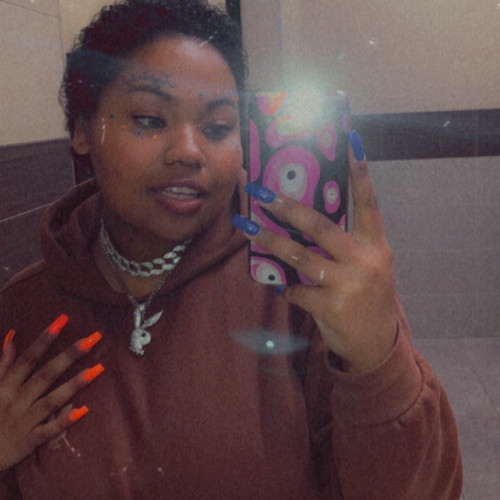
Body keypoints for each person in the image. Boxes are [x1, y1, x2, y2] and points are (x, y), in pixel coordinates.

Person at [0, 0, 462, 498]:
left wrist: (377, 364)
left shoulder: (303, 287)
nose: (189, 151)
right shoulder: (24, 312)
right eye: (150, 119)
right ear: (82, 129)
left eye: (219, 127)